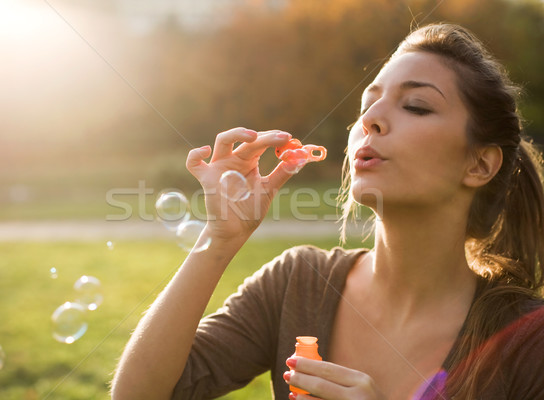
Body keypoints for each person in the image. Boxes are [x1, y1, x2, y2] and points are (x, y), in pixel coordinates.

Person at [111, 23, 544, 400]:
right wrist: (218, 240)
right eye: (366, 106)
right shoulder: (297, 284)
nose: (370, 119)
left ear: (480, 164)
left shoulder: (527, 342)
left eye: (415, 106)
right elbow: (142, 394)